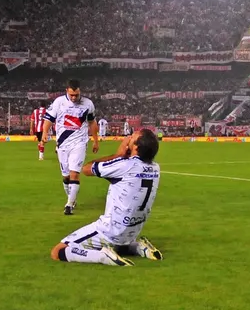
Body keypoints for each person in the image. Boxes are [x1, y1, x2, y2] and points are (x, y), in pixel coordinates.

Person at [50, 129, 163, 267]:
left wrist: (118, 154)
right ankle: (138, 247)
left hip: (110, 230)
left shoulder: (124, 165)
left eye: (132, 137)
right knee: (119, 243)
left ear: (136, 146)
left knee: (59, 251)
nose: (128, 138)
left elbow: (86, 169)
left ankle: (102, 256)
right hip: (132, 231)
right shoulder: (156, 168)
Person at [42, 80, 100, 214]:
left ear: (80, 92)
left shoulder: (88, 104)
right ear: (67, 91)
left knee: (75, 174)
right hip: (62, 143)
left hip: (79, 143)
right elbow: (49, 119)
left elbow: (92, 123)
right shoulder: (59, 102)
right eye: (72, 95)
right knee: (66, 176)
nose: (74, 98)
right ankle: (71, 198)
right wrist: (45, 133)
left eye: (77, 95)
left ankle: (69, 205)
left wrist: (95, 140)